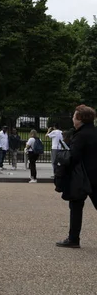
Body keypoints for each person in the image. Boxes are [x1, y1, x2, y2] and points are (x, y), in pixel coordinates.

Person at [56, 105, 97, 248]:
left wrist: (62, 156)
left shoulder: (80, 135)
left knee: (76, 206)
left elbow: (73, 157)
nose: (73, 119)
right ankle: (73, 238)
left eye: (74, 116)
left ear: (80, 119)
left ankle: (73, 239)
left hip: (82, 176)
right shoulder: (94, 132)